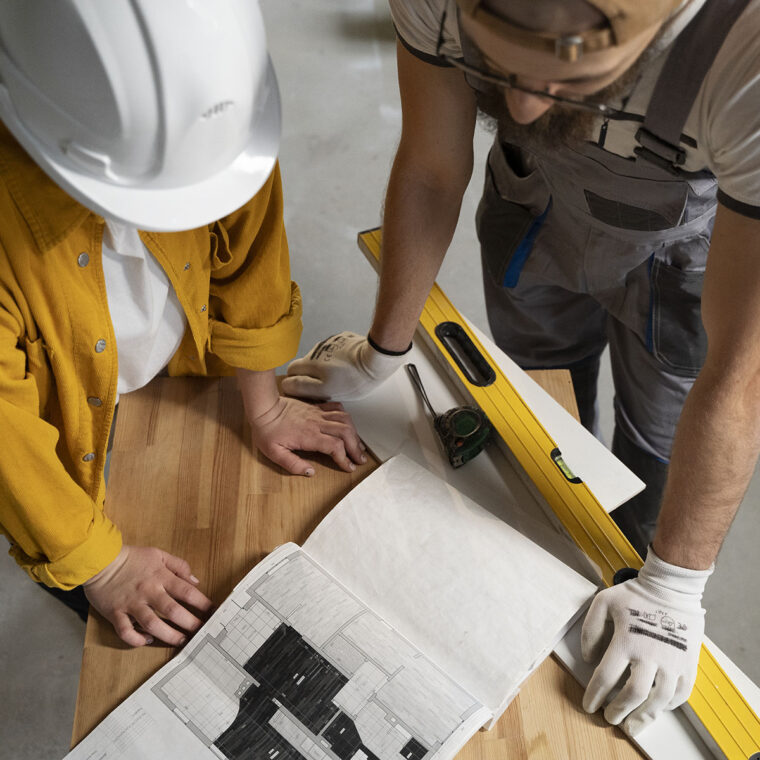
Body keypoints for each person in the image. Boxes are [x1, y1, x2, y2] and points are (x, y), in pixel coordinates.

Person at [283, 0, 760, 736]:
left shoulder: (746, 59)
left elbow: (739, 371)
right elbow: (435, 168)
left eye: (568, 80)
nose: (524, 104)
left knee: (655, 448)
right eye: (496, 66)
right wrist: (387, 346)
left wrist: (672, 586)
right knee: (540, 397)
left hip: (689, 261)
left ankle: (633, 551)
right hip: (537, 209)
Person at [0, 1, 364, 649]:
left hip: (159, 366)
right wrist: (101, 565)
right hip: (51, 433)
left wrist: (266, 404)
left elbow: (252, 256)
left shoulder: (217, 117)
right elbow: (9, 439)